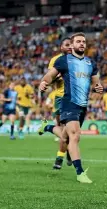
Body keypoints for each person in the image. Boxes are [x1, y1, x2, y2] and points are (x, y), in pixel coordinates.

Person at [39, 32, 103, 183]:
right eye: (78, 41)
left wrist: (98, 88)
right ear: (72, 45)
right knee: (75, 135)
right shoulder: (63, 60)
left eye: (83, 42)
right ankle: (80, 172)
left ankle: (47, 127)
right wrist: (44, 82)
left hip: (82, 105)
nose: (81, 44)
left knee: (66, 137)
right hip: (68, 102)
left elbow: (96, 83)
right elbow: (50, 75)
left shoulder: (90, 64)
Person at [37, 37, 73, 169]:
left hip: (75, 98)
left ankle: (47, 127)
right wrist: (50, 80)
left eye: (71, 45)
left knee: (68, 132)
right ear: (61, 47)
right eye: (66, 45)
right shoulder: (56, 60)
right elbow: (50, 78)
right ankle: (60, 158)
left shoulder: (78, 60)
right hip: (61, 97)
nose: (70, 47)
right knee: (66, 131)